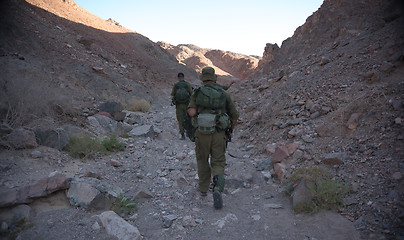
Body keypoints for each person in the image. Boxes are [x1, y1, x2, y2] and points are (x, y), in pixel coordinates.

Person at [187, 67, 239, 209]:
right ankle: (217, 189)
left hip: (202, 133)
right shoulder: (223, 93)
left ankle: (203, 189)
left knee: (202, 159)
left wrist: (201, 111)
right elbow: (235, 116)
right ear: (215, 78)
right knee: (218, 161)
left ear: (202, 79)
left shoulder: (197, 92)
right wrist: (230, 130)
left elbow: (191, 112)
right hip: (219, 133)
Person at [171, 72, 193, 140]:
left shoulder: (176, 85)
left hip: (179, 105)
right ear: (183, 77)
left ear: (178, 78)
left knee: (180, 119)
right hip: (187, 104)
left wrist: (174, 101)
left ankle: (182, 134)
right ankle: (189, 133)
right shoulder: (187, 84)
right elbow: (192, 93)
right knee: (188, 119)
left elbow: (172, 95)